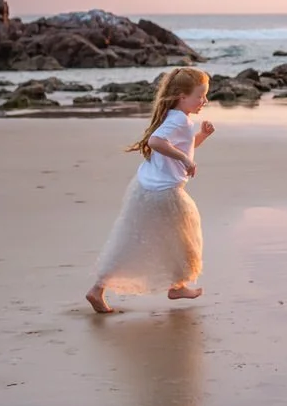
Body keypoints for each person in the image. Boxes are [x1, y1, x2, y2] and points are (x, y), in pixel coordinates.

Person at [86, 67, 214, 313]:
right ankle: (177, 286)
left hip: (146, 190)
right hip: (164, 194)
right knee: (185, 237)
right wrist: (185, 160)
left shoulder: (176, 118)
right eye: (200, 96)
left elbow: (181, 147)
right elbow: (155, 142)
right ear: (182, 96)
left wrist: (201, 137)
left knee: (132, 242)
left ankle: (97, 289)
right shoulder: (178, 119)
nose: (204, 101)